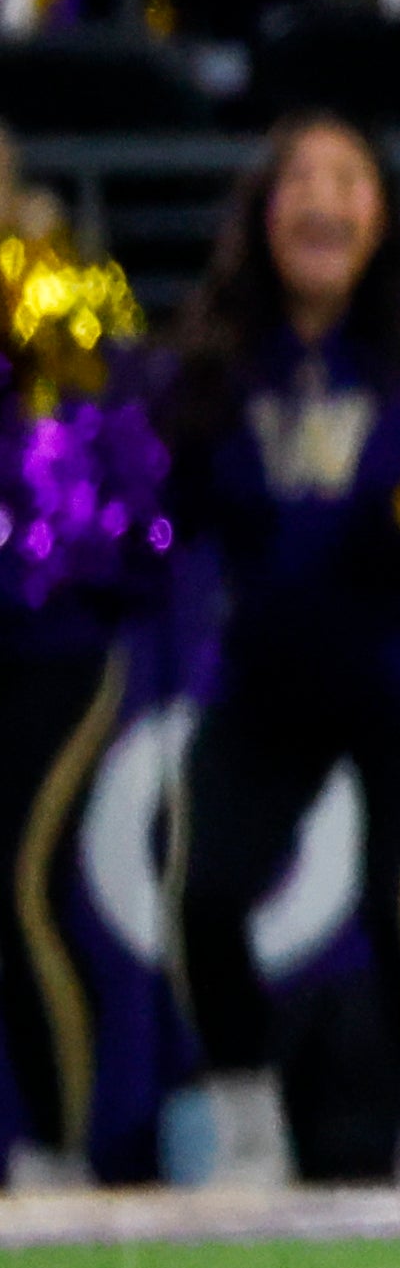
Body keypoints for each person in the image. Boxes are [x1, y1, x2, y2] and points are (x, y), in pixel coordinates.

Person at [158, 117, 400, 1196]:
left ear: (383, 215)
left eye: (348, 179)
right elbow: (159, 500)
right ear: (262, 216)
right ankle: (249, 1123)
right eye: (298, 180)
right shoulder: (218, 354)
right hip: (270, 682)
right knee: (201, 886)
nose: (322, 199)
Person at [0, 145, 149, 1195]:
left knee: (20, 884)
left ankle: (58, 1151)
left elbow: (120, 496)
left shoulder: (67, 313)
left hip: (48, 645)